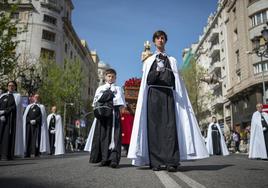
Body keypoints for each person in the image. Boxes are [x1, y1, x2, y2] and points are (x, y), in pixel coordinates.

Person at [127, 30, 209, 172]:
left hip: (168, 95)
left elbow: (176, 81)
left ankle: (171, 161)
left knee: (170, 128)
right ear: (154, 41)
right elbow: (148, 80)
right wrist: (157, 71)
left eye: (163, 38)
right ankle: (156, 162)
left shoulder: (172, 60)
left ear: (165, 41)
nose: (160, 40)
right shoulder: (149, 60)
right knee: (154, 128)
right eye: (158, 38)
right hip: (153, 95)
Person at [84, 68, 126, 168]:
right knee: (103, 136)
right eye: (109, 76)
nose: (110, 78)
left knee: (115, 137)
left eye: (112, 76)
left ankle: (114, 159)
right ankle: (104, 158)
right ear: (105, 77)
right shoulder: (100, 88)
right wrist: (107, 96)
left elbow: (121, 103)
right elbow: (96, 102)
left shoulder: (119, 89)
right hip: (103, 115)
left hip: (114, 114)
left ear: (115, 78)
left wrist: (113, 100)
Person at [0, 81, 24, 160]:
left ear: (15, 87)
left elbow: (14, 106)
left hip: (10, 120)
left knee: (7, 137)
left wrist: (4, 112)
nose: (11, 87)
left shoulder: (17, 96)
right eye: (9, 85)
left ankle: (6, 155)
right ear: (7, 87)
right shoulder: (2, 96)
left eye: (12, 86)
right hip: (0, 118)